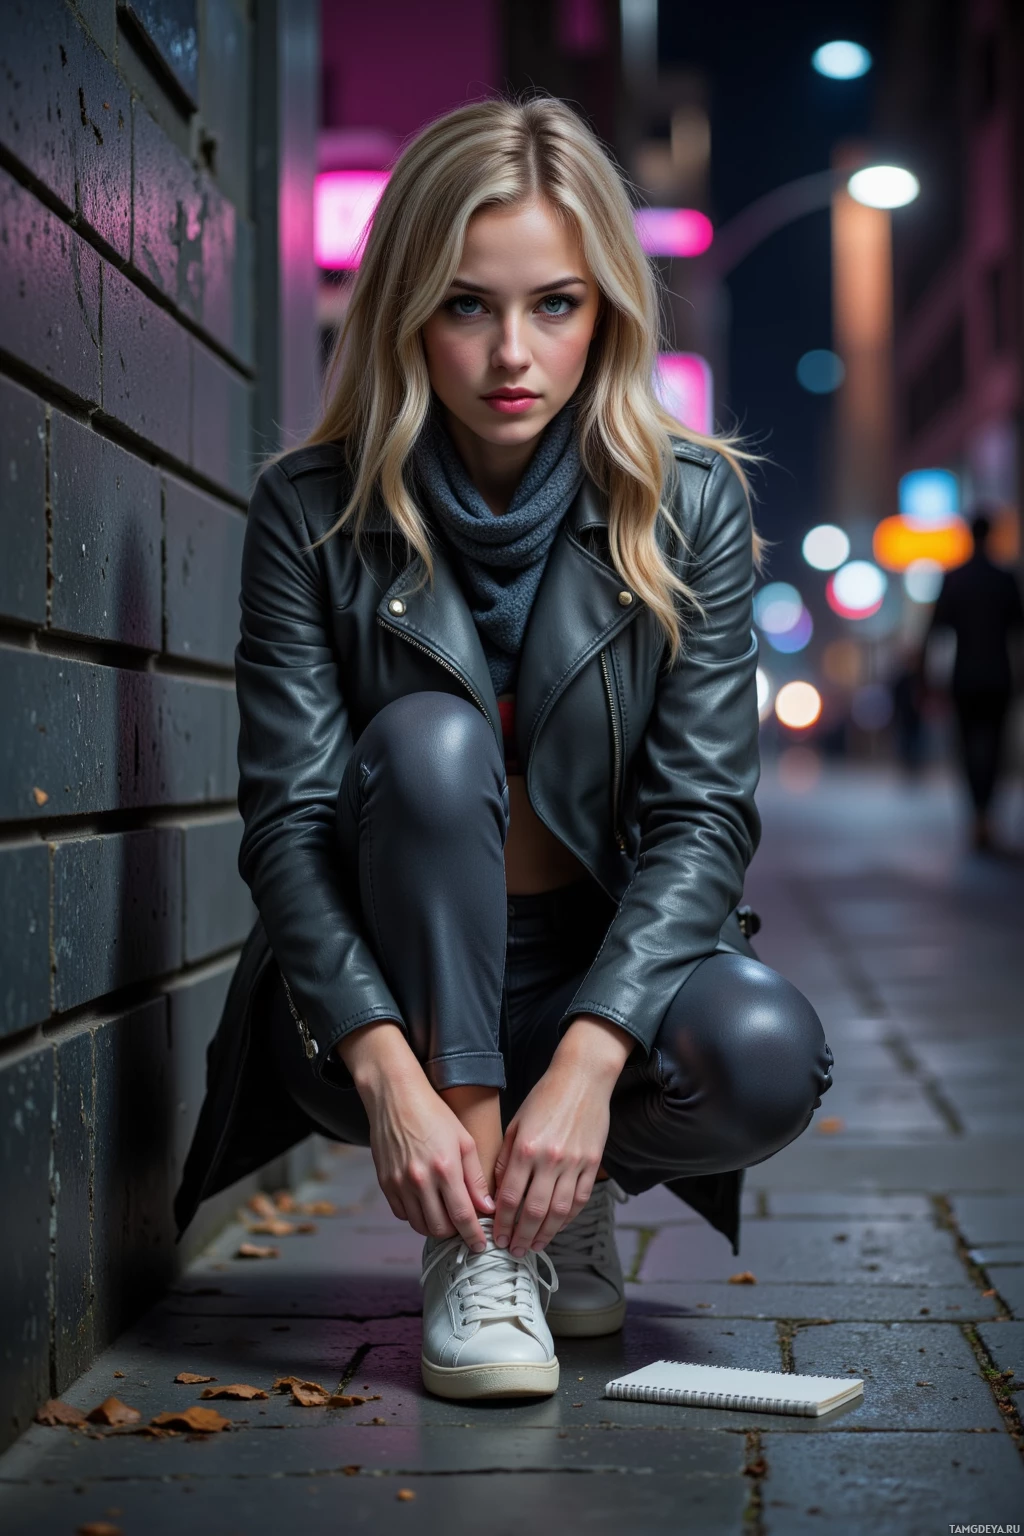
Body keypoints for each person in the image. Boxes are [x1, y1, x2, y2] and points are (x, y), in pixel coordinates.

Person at [175, 97, 833, 1402]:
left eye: (557, 305)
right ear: (409, 308)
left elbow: (704, 817)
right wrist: (392, 1077)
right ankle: (478, 1238)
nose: (513, 353)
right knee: (426, 742)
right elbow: (291, 825)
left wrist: (590, 1067)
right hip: (386, 1001)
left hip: (600, 972)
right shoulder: (311, 510)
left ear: (610, 312)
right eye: (469, 304)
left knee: (767, 1054)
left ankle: (557, 1192)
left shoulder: (686, 500)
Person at [927, 511, 1024, 850]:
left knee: (967, 747)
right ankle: (987, 814)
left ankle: (976, 816)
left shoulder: (954, 579)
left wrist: (928, 679)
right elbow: (1018, 630)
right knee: (996, 748)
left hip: (964, 678)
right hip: (999, 677)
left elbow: (934, 631)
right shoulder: (1005, 578)